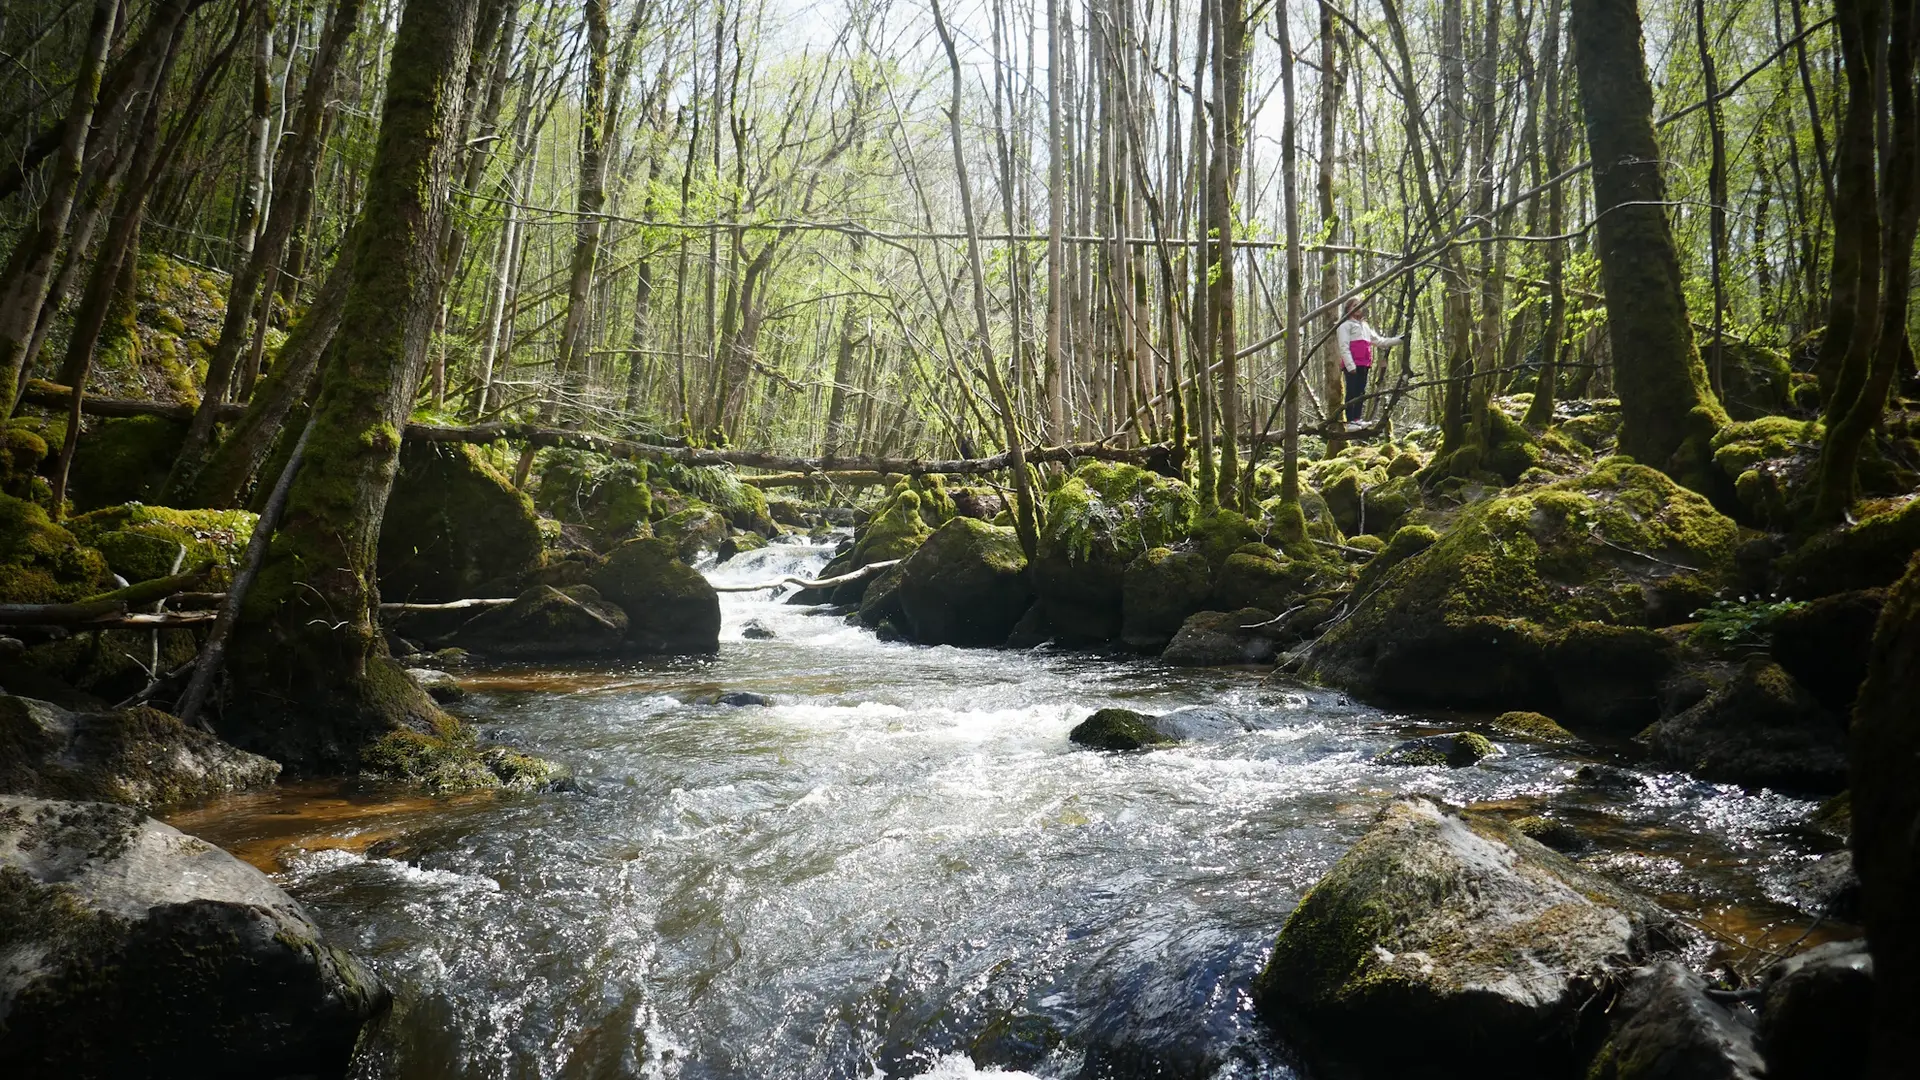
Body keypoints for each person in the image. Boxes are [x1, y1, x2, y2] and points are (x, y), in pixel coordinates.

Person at [1336, 299, 1407, 425]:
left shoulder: (1365, 326)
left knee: (1361, 392)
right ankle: (1350, 421)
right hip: (1352, 364)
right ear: (1348, 308)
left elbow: (1380, 342)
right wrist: (1350, 365)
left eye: (1360, 305)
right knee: (1352, 392)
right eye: (1355, 305)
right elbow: (1343, 346)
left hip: (1364, 364)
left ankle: (1357, 419)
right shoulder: (1345, 325)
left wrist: (1400, 339)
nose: (1358, 307)